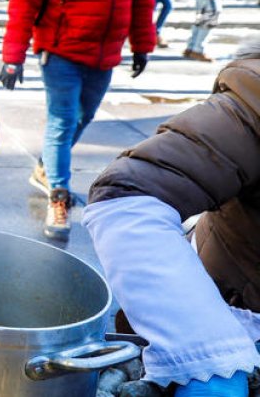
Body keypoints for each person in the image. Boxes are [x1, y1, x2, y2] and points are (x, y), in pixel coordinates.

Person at [84, 37, 259, 396]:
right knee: (66, 118)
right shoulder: (252, 101)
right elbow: (128, 194)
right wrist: (208, 354)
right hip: (233, 324)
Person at [0, 0, 155, 239]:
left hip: (104, 55)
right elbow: (24, 0)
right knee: (63, 121)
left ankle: (45, 168)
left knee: (83, 118)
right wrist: (13, 57)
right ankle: (59, 195)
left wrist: (142, 44)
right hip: (60, 53)